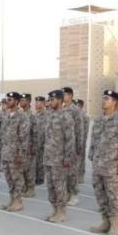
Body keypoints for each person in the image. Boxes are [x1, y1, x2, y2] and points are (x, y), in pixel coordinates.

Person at [89, 90, 118, 235]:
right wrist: (92, 157)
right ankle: (105, 222)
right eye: (103, 98)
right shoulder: (98, 120)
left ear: (115, 102)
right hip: (98, 164)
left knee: (113, 196)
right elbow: (93, 141)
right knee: (100, 195)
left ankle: (115, 224)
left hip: (112, 166)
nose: (103, 101)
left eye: (107, 98)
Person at [44, 89, 75, 222]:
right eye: (49, 100)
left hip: (59, 159)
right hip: (48, 157)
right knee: (50, 186)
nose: (50, 102)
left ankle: (61, 212)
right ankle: (55, 210)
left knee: (59, 186)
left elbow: (70, 139)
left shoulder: (66, 117)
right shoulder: (49, 115)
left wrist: (67, 158)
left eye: (52, 100)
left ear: (60, 100)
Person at [0, 92, 30, 212]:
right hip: (6, 152)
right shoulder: (6, 114)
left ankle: (18, 201)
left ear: (16, 102)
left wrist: (20, 155)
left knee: (17, 178)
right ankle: (12, 199)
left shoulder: (22, 116)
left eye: (10, 100)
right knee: (9, 178)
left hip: (16, 154)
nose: (7, 102)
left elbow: (24, 137)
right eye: (7, 99)